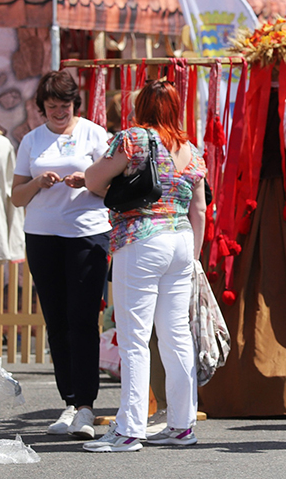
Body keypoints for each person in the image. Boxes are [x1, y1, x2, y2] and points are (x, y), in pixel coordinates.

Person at [83, 79, 206, 452]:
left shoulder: (134, 138)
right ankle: (182, 425)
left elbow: (93, 178)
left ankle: (130, 429)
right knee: (176, 336)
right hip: (182, 239)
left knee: (134, 337)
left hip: (141, 237)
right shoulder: (191, 149)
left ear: (143, 106)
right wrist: (195, 257)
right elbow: (199, 207)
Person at [11, 71, 111, 440]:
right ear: (41, 109)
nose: (58, 113)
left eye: (64, 106)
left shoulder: (95, 134)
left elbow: (113, 186)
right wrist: (38, 182)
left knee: (83, 319)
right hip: (41, 235)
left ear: (75, 105)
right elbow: (16, 196)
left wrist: (87, 180)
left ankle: (86, 405)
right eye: (51, 107)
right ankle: (69, 402)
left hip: (86, 234)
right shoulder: (31, 140)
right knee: (56, 321)